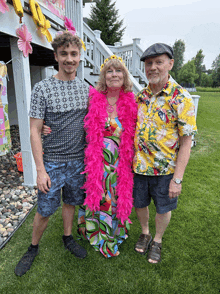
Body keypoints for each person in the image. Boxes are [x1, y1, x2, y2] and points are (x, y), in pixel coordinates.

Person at [15, 31, 89, 277]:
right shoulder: (43, 88)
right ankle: (33, 247)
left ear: (80, 57)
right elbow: (35, 132)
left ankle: (67, 237)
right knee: (45, 209)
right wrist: (40, 170)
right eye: (64, 54)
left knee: (70, 202)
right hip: (53, 163)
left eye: (74, 54)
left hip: (78, 162)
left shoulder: (86, 89)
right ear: (56, 56)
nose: (69, 59)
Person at [133, 43, 197, 264]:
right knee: (139, 204)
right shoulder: (140, 96)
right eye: (149, 63)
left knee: (162, 207)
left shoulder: (181, 98)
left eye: (158, 62)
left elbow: (187, 142)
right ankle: (145, 232)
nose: (153, 67)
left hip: (165, 170)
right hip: (139, 166)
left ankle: (157, 240)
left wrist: (177, 179)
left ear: (170, 64)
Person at [77, 55, 137, 258]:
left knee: (118, 197)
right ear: (104, 76)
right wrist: (48, 127)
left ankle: (115, 232)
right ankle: (97, 233)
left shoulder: (131, 101)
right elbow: (75, 119)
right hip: (97, 163)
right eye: (109, 71)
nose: (114, 75)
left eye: (118, 70)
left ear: (124, 75)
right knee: (99, 197)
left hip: (121, 163)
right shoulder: (94, 98)